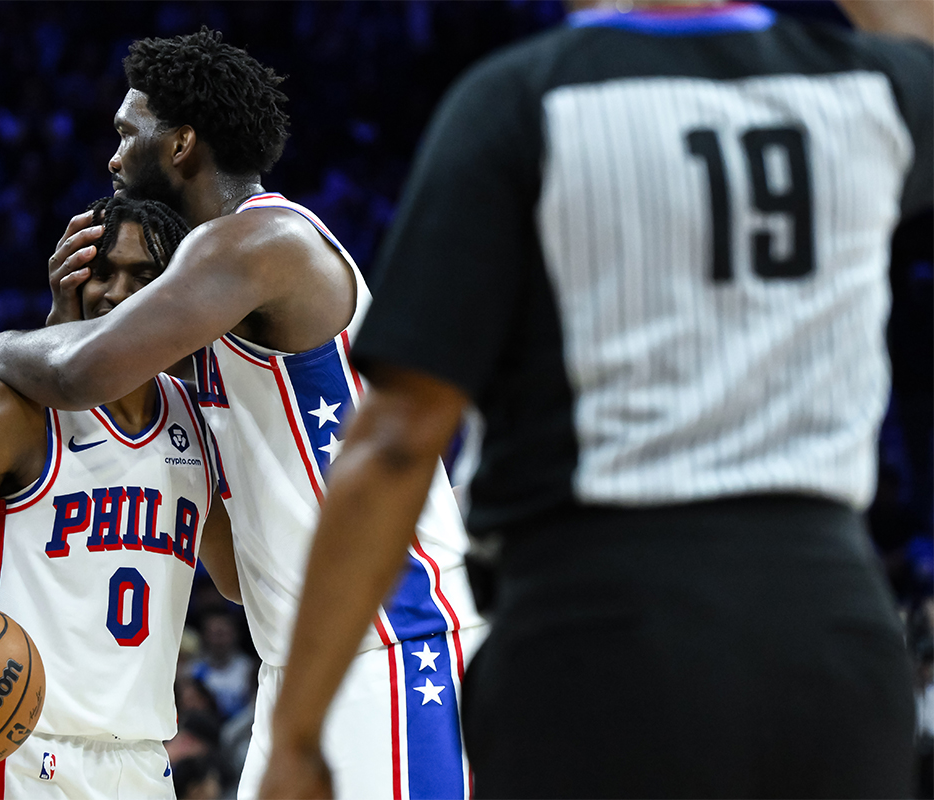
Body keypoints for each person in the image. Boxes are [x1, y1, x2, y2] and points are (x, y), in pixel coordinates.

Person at [260, 1, 933, 798]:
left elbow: (400, 440)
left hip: (602, 635)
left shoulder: (518, 102)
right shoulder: (870, 92)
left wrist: (297, 735)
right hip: (831, 639)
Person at [0, 27, 486, 799]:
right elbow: (234, 577)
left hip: (393, 645)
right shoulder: (209, 301)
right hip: (299, 660)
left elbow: (79, 372)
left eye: (125, 133)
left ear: (180, 144)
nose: (111, 158)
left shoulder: (260, 241)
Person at [0, 196, 240, 799]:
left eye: (143, 275)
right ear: (69, 273)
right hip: (7, 751)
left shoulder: (200, 423)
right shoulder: (7, 413)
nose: (115, 292)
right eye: (102, 270)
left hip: (139, 761)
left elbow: (236, 579)